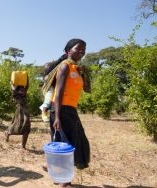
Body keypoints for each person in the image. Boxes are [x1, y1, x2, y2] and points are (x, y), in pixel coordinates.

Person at [48, 39, 91, 187]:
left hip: (71, 110)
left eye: (83, 50)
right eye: (78, 49)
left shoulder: (77, 69)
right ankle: (64, 181)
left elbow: (88, 90)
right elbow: (58, 92)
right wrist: (57, 117)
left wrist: (85, 74)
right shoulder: (65, 66)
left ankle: (61, 177)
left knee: (75, 143)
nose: (81, 52)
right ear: (68, 51)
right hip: (59, 109)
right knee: (66, 145)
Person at [5, 76, 31, 149]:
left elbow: (27, 86)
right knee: (16, 127)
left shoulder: (24, 95)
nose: (22, 91)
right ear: (17, 91)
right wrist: (11, 83)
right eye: (21, 90)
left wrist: (26, 78)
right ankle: (8, 133)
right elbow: (13, 89)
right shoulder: (16, 95)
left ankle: (23, 146)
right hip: (19, 114)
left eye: (23, 90)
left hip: (26, 114)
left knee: (26, 130)